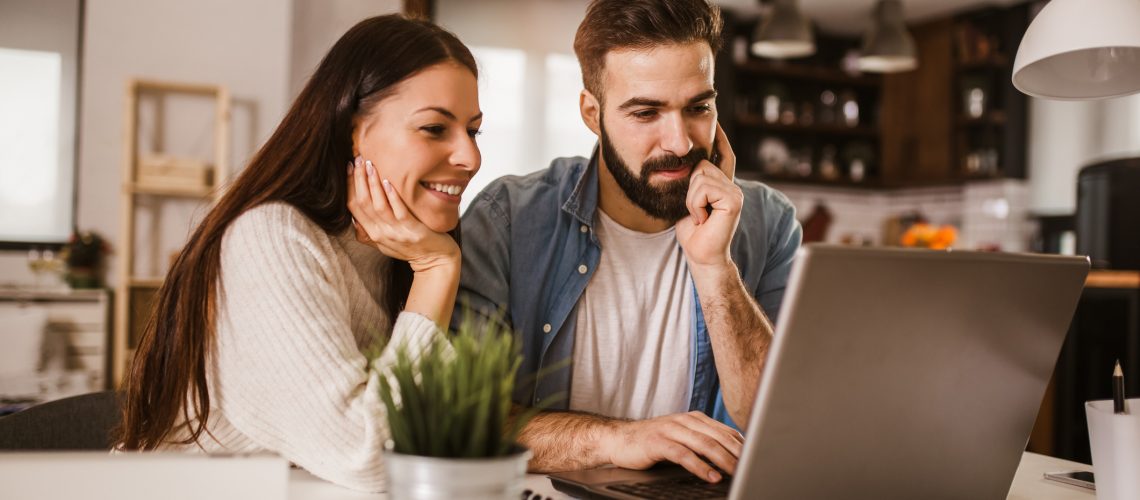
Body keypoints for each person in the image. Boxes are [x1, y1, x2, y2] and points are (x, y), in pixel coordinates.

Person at [116, 15, 482, 492]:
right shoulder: (271, 238)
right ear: (353, 132)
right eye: (435, 128)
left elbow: (443, 436)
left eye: (474, 131)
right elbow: (369, 456)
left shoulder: (402, 253)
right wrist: (436, 272)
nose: (470, 157)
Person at [455, 0, 802, 484]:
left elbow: (781, 427)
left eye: (698, 107)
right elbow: (464, 420)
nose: (680, 142)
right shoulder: (507, 220)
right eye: (646, 113)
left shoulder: (767, 221)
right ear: (592, 113)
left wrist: (714, 266)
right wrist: (620, 439)